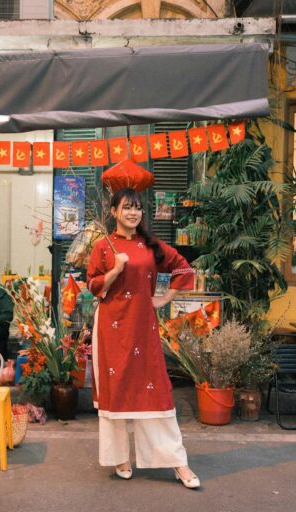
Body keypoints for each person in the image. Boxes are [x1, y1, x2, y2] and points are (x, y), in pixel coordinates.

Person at [86, 187, 200, 489]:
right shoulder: (104, 247)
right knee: (117, 389)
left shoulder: (152, 246)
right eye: (126, 207)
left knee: (156, 391)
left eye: (137, 208)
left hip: (143, 328)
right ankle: (119, 457)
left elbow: (183, 267)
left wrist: (164, 298)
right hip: (110, 327)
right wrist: (116, 269)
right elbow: (94, 285)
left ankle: (179, 463)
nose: (132, 213)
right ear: (114, 212)